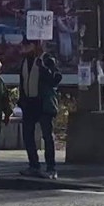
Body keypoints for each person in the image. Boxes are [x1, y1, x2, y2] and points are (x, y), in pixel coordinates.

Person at [17, 43, 63, 179]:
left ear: (35, 45)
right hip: (29, 103)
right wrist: (22, 101)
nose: (23, 48)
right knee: (28, 135)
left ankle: (51, 167)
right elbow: (23, 81)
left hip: (43, 103)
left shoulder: (47, 59)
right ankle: (34, 165)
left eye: (27, 45)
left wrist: (42, 68)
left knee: (47, 136)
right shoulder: (25, 61)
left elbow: (55, 79)